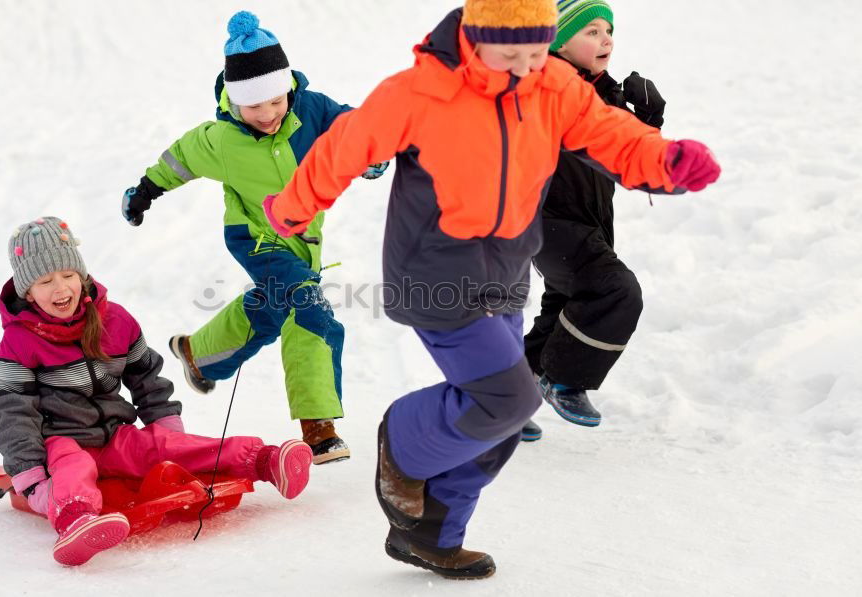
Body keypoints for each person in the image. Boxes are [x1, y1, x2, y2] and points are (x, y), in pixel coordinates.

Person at [263, 0, 719, 579]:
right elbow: (343, 147)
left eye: (537, 50)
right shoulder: (421, 92)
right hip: (434, 273)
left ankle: (430, 532)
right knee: (509, 399)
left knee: (500, 418)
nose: (527, 65)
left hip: (506, 269)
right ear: (477, 38)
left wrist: (667, 164)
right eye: (512, 52)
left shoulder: (551, 84)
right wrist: (295, 209)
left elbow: (614, 137)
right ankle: (402, 443)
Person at [121, 11, 388, 465]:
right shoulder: (222, 139)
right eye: (253, 106)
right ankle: (318, 426)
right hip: (253, 237)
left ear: (288, 88)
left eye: (274, 102)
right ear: (233, 101)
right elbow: (179, 159)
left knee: (272, 309)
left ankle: (199, 355)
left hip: (303, 239)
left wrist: (371, 157)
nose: (266, 114)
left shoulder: (312, 109)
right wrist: (146, 191)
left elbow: (356, 130)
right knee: (307, 305)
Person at [0, 217, 313, 566]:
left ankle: (264, 460)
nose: (60, 288)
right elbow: (13, 413)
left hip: (115, 436)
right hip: (58, 441)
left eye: (67, 275)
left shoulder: (115, 321)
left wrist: (165, 431)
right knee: (73, 464)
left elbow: (146, 377)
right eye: (45, 280)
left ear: (81, 276)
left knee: (163, 446)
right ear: (27, 291)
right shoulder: (18, 344)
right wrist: (31, 478)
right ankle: (76, 519)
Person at [523, 0, 668, 437]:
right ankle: (564, 378)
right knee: (615, 290)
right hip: (542, 218)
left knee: (567, 306)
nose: (606, 39)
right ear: (558, 41)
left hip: (590, 219)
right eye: (591, 32)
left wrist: (647, 122)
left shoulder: (608, 95)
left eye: (608, 31)